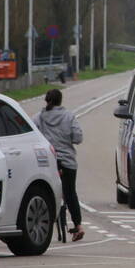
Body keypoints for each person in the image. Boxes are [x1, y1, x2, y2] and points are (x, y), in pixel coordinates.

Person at [35, 89, 85, 241]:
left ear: (46, 100)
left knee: (45, 193)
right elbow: (78, 138)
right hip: (68, 162)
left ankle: (44, 226)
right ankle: (78, 226)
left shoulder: (39, 118)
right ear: (60, 100)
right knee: (70, 193)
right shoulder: (69, 116)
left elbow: (32, 135)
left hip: (48, 162)